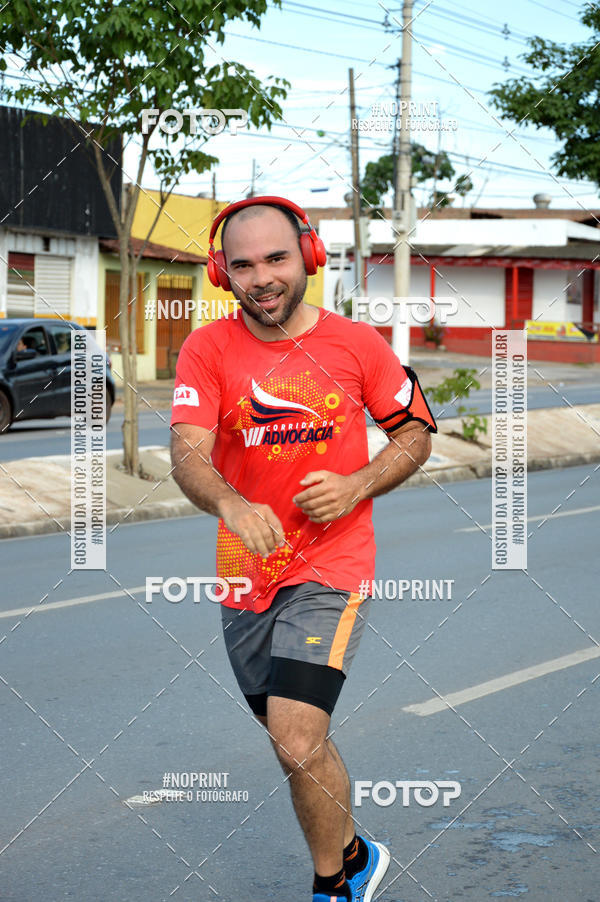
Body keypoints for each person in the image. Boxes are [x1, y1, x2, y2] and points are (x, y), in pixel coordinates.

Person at [170, 196, 437, 902]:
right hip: (243, 568)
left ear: (310, 257)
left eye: (277, 258)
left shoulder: (356, 345)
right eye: (244, 264)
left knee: (294, 738)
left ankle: (332, 887)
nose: (262, 277)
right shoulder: (207, 349)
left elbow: (415, 433)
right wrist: (229, 500)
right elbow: (187, 454)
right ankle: (354, 851)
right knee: (290, 739)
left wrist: (357, 485)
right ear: (222, 273)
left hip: (331, 563)